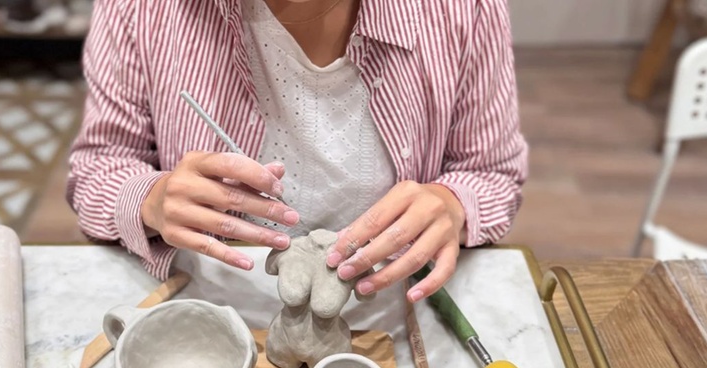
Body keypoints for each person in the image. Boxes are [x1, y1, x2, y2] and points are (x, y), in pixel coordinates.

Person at [67, 0, 527, 303]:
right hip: (203, 314)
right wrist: (151, 199)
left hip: (399, 317)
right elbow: (97, 169)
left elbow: (492, 172)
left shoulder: (462, 10)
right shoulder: (143, 11)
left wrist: (450, 205)